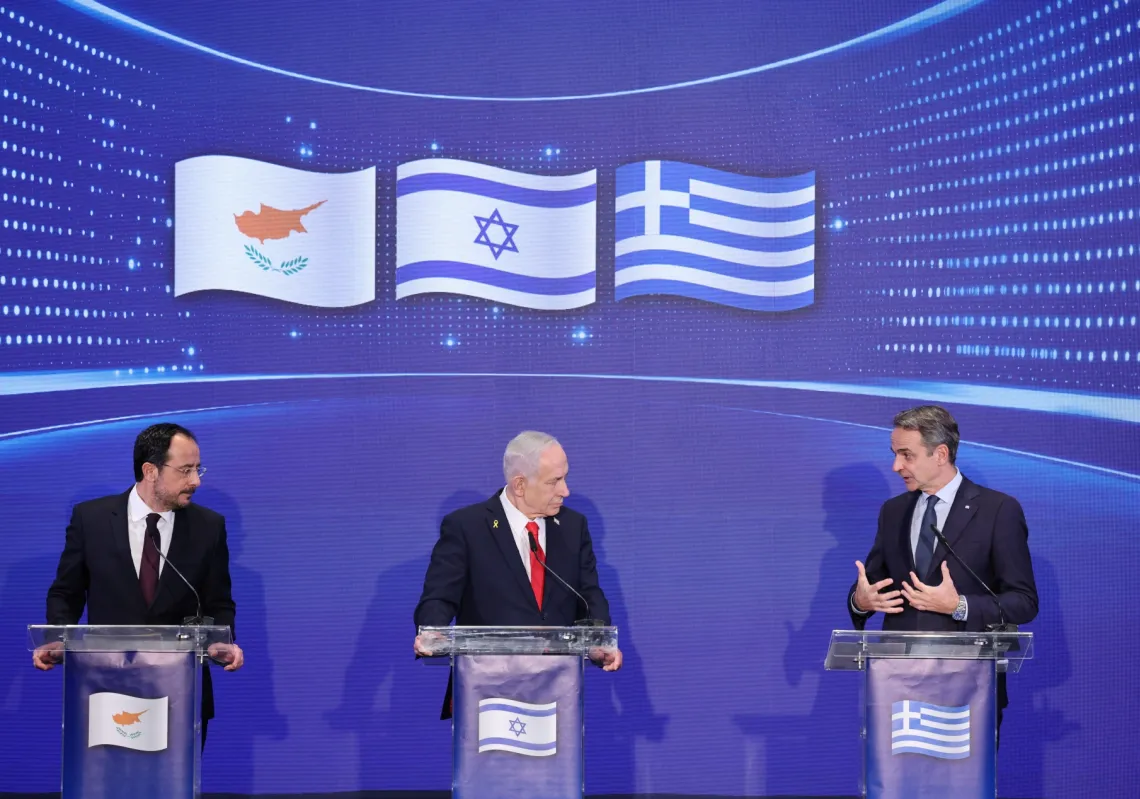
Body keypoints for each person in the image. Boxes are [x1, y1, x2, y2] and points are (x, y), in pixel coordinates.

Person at [34, 422, 243, 747]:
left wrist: (222, 642)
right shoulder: (91, 519)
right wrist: (58, 637)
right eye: (186, 470)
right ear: (151, 471)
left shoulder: (209, 527)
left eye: (198, 468)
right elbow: (66, 591)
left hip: (180, 691)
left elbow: (219, 602)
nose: (196, 481)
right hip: (104, 686)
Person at [848, 405, 1038, 734]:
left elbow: (1023, 602)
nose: (896, 466)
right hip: (898, 685)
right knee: (897, 784)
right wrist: (861, 602)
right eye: (894, 454)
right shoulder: (893, 512)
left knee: (962, 784)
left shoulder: (998, 511)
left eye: (906, 455)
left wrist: (959, 606)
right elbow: (875, 586)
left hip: (968, 685)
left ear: (940, 454)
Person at [414, 430, 622, 718]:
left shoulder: (574, 526)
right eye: (554, 481)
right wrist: (432, 630)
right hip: (487, 692)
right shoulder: (467, 527)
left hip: (556, 690)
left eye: (564, 478)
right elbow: (439, 596)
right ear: (520, 485)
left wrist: (600, 641)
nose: (565, 491)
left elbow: (588, 594)